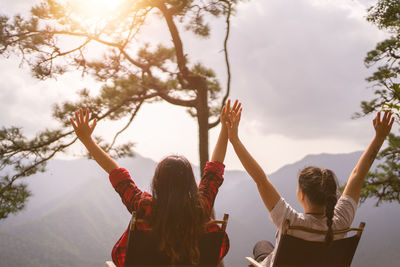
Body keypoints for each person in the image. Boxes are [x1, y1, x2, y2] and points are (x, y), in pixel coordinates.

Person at [70, 100, 240, 266]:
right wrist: (225, 128)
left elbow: (118, 175)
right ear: (190, 182)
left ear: (157, 183)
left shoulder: (144, 206)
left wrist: (87, 140)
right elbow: (213, 171)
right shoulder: (201, 207)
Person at [224, 105, 394, 267]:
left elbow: (260, 180)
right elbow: (358, 175)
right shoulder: (342, 221)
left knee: (261, 247)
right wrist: (379, 138)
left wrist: (234, 140)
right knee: (264, 246)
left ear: (302, 195)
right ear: (331, 195)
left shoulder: (291, 222)